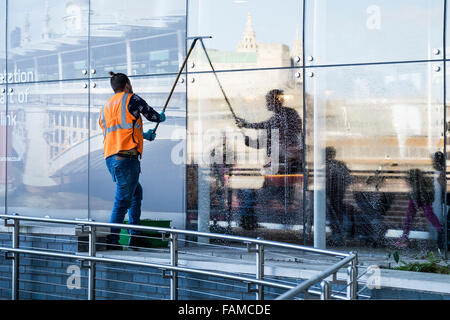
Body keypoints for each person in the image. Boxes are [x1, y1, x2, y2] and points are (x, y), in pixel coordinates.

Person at [99, 72, 165, 250]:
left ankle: (135, 235)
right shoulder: (131, 98)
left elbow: (119, 131)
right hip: (126, 158)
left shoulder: (106, 106)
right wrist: (161, 117)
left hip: (111, 157)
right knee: (122, 201)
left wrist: (143, 136)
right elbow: (151, 115)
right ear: (127, 84)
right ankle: (113, 240)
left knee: (136, 193)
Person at [234, 89, 303, 230]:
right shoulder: (279, 120)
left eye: (268, 100)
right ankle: (248, 220)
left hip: (283, 167)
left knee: (262, 194)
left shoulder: (285, 116)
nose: (266, 103)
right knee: (261, 194)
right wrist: (248, 140)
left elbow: (267, 127)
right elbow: (263, 140)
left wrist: (246, 125)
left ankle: (248, 220)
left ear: (277, 101)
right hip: (278, 166)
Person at [394, 168, 443, 248]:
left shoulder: (418, 184)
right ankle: (440, 230)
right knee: (428, 215)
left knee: (411, 217)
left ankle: (404, 237)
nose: (407, 183)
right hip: (421, 198)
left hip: (419, 198)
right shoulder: (424, 182)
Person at [353, 171, 394, 247]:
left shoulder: (378, 192)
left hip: (375, 215)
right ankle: (375, 239)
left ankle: (375, 240)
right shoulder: (370, 191)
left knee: (376, 223)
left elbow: (383, 204)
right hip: (374, 215)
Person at [325, 146, 353, 245]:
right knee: (336, 211)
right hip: (338, 191)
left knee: (335, 212)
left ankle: (339, 233)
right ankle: (339, 233)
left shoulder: (329, 165)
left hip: (333, 191)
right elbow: (348, 177)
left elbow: (346, 177)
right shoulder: (339, 164)